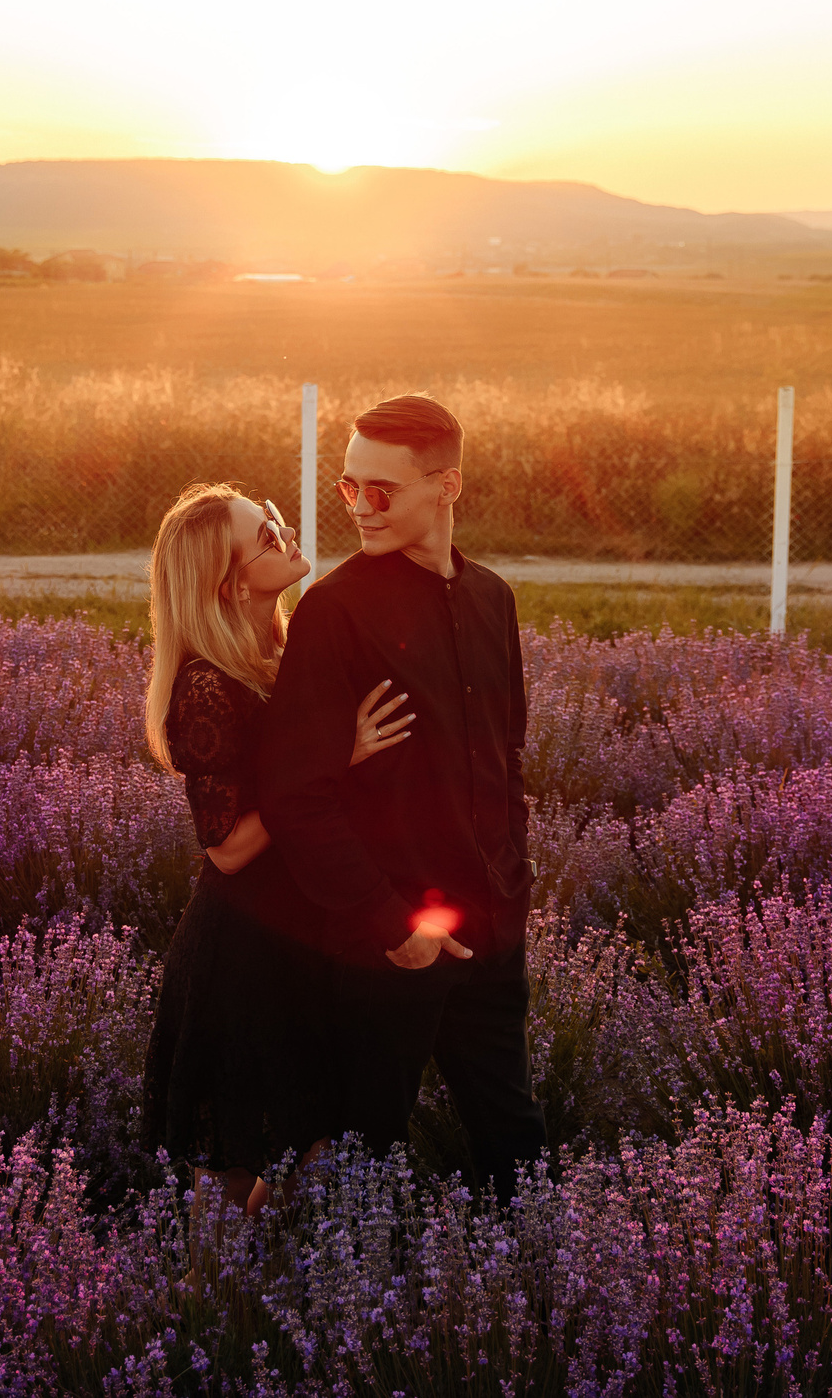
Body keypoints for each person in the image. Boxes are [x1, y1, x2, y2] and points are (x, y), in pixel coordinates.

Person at [259, 394, 547, 1200]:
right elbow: (296, 796)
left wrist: (511, 885)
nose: (361, 506)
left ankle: (536, 1281)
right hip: (384, 949)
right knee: (356, 1157)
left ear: (445, 486)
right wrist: (394, 925)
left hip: (490, 933)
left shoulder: (493, 598)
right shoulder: (334, 611)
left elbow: (506, 758)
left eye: (381, 489)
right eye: (350, 487)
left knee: (517, 1148)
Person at [140, 481, 414, 1214]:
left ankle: (263, 1276)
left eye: (274, 519)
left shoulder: (283, 649)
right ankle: (208, 1288)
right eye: (264, 535)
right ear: (230, 584)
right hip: (243, 955)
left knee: (309, 1142)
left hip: (305, 936)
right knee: (235, 1168)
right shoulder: (207, 686)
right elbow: (227, 849)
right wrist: (335, 759)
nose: (285, 533)